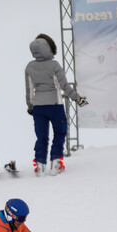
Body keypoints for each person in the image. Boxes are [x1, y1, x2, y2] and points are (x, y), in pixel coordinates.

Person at [25, 33, 88, 176]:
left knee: (41, 137)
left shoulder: (29, 67)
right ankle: (56, 163)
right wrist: (77, 98)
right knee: (59, 133)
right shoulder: (54, 65)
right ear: (48, 48)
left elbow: (29, 89)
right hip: (55, 105)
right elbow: (64, 86)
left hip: (38, 107)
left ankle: (39, 166)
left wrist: (30, 105)